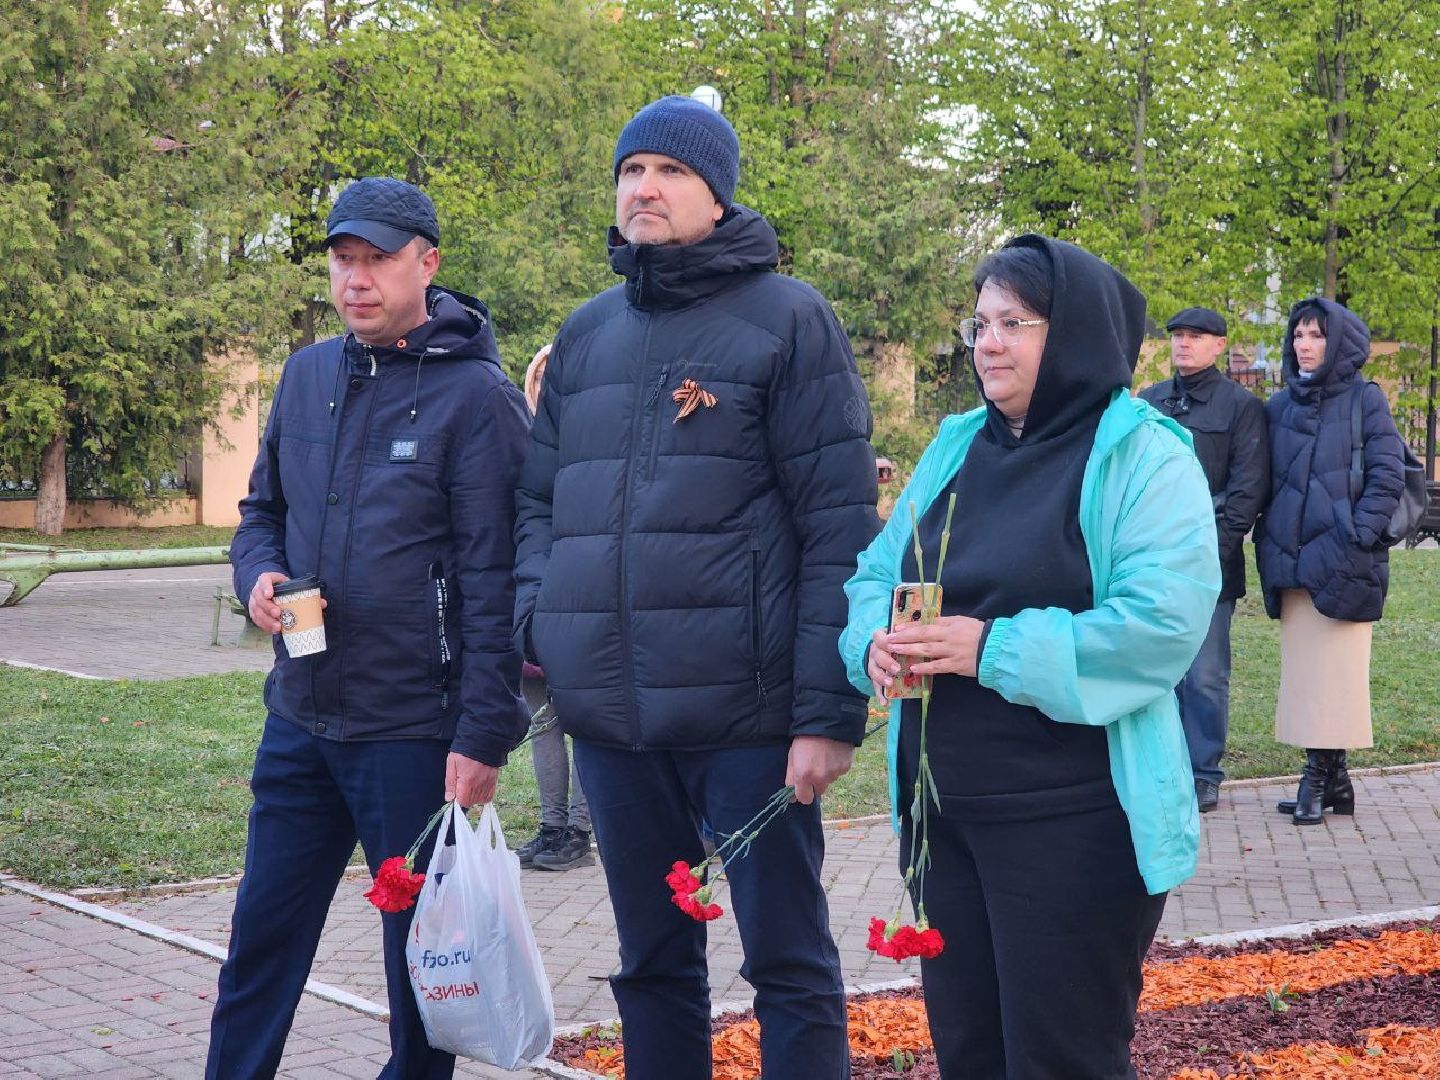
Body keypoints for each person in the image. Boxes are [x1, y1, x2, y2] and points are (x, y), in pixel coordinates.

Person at [513, 94, 880, 1079]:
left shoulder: (789, 321)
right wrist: (539, 614)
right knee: (654, 965)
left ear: (716, 192)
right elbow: (537, 504)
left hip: (748, 723)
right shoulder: (587, 335)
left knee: (789, 964)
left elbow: (840, 530)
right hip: (617, 730)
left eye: (670, 171)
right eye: (631, 169)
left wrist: (827, 713)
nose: (644, 187)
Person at [840, 235, 1220, 1078]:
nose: (989, 342)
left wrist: (991, 648)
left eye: (1015, 322)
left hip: (1075, 826)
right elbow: (875, 572)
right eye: (979, 323)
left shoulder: (1143, 455)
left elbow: (1159, 627)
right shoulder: (956, 445)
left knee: (1062, 1059)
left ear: (1076, 332)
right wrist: (870, 639)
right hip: (945, 821)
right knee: (971, 1052)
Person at [209, 177, 531, 1079]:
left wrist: (482, 738)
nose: (356, 279)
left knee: (422, 982)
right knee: (258, 950)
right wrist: (257, 576)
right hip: (301, 715)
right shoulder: (309, 373)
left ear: (426, 264)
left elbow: (494, 584)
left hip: (413, 739)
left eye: (377, 260)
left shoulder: (478, 399)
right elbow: (259, 510)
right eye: (343, 260)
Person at [1254, 297, 1406, 826]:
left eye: (1316, 335)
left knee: (1335, 675)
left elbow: (1388, 475)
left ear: (1337, 342)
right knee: (1306, 676)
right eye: (1298, 336)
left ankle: (1317, 776)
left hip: (1345, 561)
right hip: (1291, 563)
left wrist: (1357, 535)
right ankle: (1335, 780)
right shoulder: (1278, 407)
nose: (1304, 345)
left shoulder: (1365, 400)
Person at [1139, 307, 1269, 813]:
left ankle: (1203, 771)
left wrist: (1206, 552)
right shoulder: (1151, 401)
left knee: (1206, 673)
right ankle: (1160, 766)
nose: (1183, 345)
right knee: (1156, 668)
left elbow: (1247, 490)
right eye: (1177, 337)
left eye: (1196, 337)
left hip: (1211, 562)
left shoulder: (1240, 407)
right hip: (1151, 559)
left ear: (1220, 345)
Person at [514, 343, 593, 871]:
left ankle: (582, 832)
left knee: (585, 722)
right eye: (539, 380)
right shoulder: (520, 444)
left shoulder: (592, 446)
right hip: (531, 608)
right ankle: (552, 825)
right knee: (543, 721)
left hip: (582, 609)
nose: (546, 390)